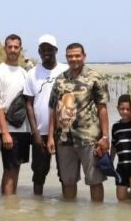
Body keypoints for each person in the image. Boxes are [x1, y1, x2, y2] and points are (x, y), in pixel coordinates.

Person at [47, 43, 110, 203]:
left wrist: (105, 136)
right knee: (67, 181)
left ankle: (98, 216)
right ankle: (70, 215)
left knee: (95, 180)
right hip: (64, 139)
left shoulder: (95, 78)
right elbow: (53, 109)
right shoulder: (60, 79)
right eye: (70, 56)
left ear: (84, 56)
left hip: (89, 138)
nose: (73, 59)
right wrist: (50, 137)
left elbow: (102, 108)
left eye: (77, 55)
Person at [23, 34, 68, 195]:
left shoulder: (66, 70)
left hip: (63, 131)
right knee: (39, 173)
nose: (46, 52)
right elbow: (28, 103)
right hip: (40, 132)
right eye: (43, 49)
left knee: (66, 174)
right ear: (39, 52)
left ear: (56, 50)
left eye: (50, 49)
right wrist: (34, 132)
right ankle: (37, 207)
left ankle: (67, 207)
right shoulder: (32, 73)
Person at [0, 34, 30, 196]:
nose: (13, 50)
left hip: (23, 128)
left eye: (16, 47)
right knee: (9, 168)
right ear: (5, 48)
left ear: (21, 49)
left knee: (16, 167)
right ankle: (8, 204)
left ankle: (12, 204)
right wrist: (5, 132)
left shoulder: (24, 73)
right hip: (7, 130)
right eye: (10, 47)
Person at [110, 94, 131, 202]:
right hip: (121, 166)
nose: (125, 111)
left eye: (128, 109)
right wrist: (110, 160)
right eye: (122, 109)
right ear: (117, 109)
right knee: (121, 197)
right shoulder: (115, 127)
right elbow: (114, 145)